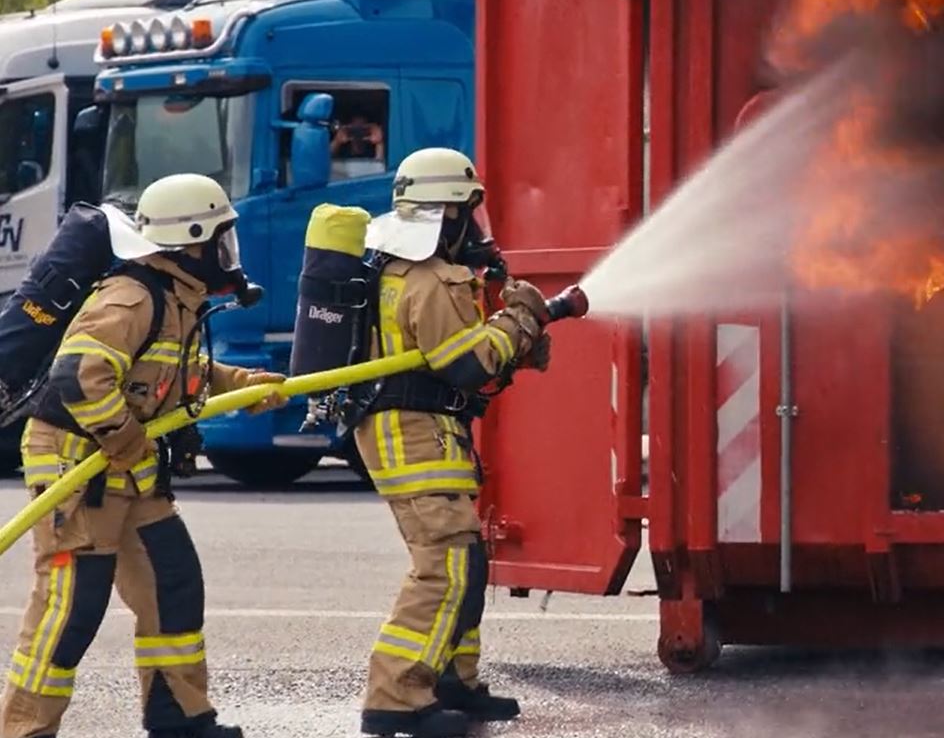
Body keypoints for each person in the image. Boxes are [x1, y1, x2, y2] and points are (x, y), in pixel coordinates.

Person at [2, 174, 286, 738]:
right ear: (193, 242)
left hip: (124, 463)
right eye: (222, 239)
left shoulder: (176, 298)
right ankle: (24, 728)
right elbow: (80, 376)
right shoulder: (131, 297)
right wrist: (130, 443)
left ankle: (179, 716)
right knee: (73, 604)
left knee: (171, 582)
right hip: (78, 461)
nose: (228, 253)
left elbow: (172, 372)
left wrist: (242, 385)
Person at [355, 148, 550, 738]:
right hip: (412, 437)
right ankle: (395, 696)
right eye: (469, 214)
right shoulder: (431, 280)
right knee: (446, 565)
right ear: (447, 215)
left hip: (421, 431)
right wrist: (519, 320)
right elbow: (466, 364)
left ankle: (452, 680)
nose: (476, 231)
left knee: (467, 562)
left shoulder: (396, 270)